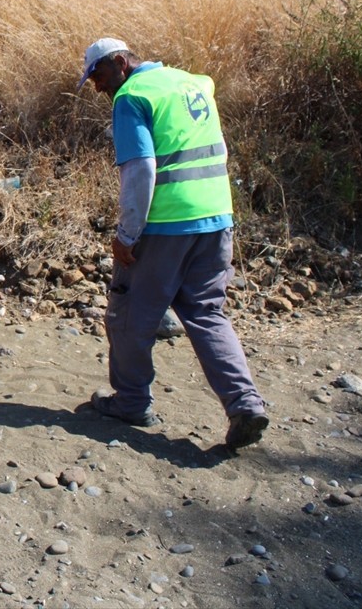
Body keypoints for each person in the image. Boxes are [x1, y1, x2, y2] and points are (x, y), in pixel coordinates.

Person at [79, 37, 268, 451]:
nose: (97, 86)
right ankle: (245, 403)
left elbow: (141, 171)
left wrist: (127, 235)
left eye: (99, 75)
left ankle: (131, 402)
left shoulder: (132, 96)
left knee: (128, 315)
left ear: (120, 62)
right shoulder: (193, 83)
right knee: (207, 314)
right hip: (217, 218)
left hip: (166, 225)